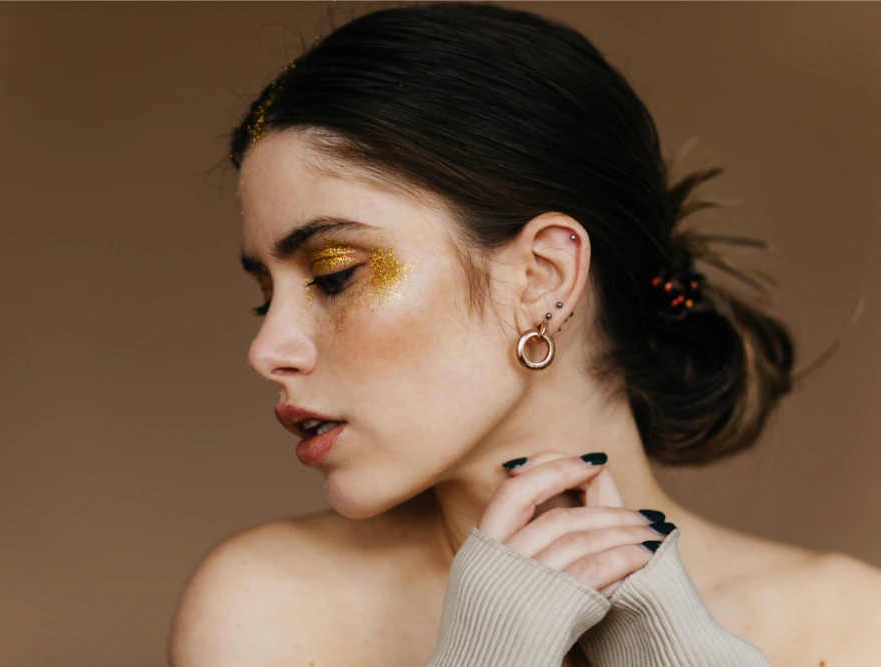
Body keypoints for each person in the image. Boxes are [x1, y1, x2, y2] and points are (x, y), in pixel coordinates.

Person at [168, 3, 881, 665]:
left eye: (334, 275)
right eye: (266, 298)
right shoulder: (266, 610)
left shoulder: (848, 625)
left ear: (542, 277)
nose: (267, 351)